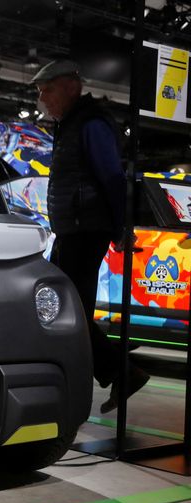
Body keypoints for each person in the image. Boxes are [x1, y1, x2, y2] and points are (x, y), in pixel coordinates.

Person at [32, 59, 149, 413]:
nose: (43, 99)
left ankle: (113, 373)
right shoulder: (71, 124)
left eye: (47, 90)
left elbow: (112, 177)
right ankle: (115, 372)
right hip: (74, 229)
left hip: (86, 229)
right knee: (69, 309)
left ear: (70, 85)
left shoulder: (91, 122)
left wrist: (120, 227)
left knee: (68, 310)